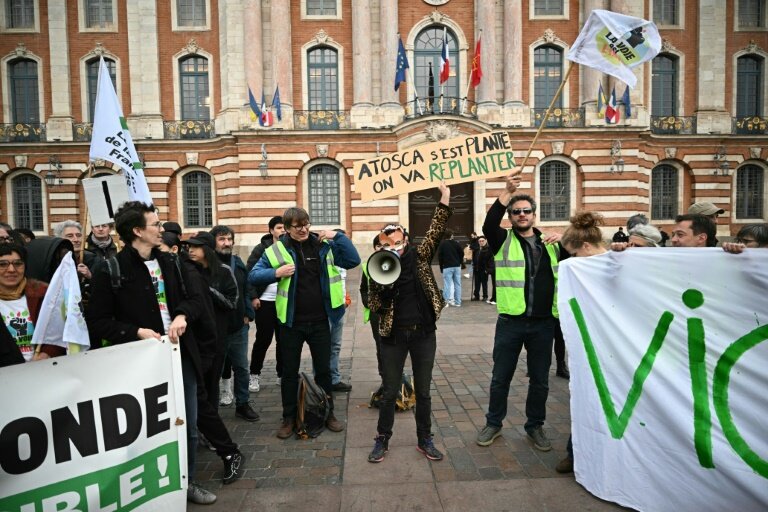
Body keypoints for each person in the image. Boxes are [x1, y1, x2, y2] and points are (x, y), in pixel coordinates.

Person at [85, 201, 241, 503]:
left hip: (180, 356)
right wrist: (136, 332)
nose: (161, 229)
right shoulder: (110, 269)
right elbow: (97, 321)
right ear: (137, 231)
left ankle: (187, 484)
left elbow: (198, 299)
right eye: (155, 224)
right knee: (147, 430)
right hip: (138, 364)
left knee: (189, 426)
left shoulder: (172, 263)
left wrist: (182, 315)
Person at [249, 207, 360, 439]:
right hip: (291, 324)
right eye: (297, 226)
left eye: (306, 224)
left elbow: (352, 260)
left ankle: (327, 413)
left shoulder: (323, 245)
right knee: (289, 373)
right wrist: (276, 273)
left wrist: (337, 236)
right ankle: (288, 417)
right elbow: (253, 276)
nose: (303, 229)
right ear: (287, 229)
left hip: (321, 321)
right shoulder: (276, 250)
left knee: (324, 372)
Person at [476, 174, 567, 452]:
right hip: (510, 322)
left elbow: (586, 253)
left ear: (534, 214)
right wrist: (507, 192)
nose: (522, 215)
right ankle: (494, 423)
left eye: (526, 211)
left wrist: (566, 237)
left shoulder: (552, 244)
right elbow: (489, 223)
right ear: (512, 217)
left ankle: (535, 426)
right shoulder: (502, 239)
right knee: (500, 377)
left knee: (540, 380)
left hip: (543, 324)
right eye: (516, 212)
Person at [366, 183, 452, 463]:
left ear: (405, 241)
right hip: (393, 336)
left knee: (424, 391)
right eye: (386, 244)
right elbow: (375, 307)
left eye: (398, 242)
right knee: (390, 391)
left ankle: (424, 438)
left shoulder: (421, 257)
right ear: (379, 247)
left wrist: (446, 197)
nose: (393, 247)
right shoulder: (376, 268)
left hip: (423, 333)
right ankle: (382, 438)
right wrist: (384, 283)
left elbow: (436, 230)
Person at [555, 211, 609, 474]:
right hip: (592, 346)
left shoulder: (620, 261)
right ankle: (575, 453)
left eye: (574, 254)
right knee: (585, 396)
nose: (572, 260)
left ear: (586, 246)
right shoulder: (583, 268)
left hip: (616, 348)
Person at [210, 225, 258, 421]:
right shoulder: (207, 265)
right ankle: (211, 411)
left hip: (238, 326)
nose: (227, 243)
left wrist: (248, 313)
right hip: (215, 328)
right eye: (222, 239)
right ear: (213, 242)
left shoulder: (237, 262)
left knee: (241, 368)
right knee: (214, 370)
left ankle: (243, 404)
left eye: (229, 239)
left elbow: (246, 288)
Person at [246, 216, 285, 391]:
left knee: (283, 340)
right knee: (263, 339)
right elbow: (250, 275)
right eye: (278, 227)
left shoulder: (290, 248)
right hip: (265, 302)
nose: (282, 230)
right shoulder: (260, 249)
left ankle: (282, 374)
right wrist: (254, 297)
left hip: (284, 302)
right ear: (271, 231)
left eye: (285, 227)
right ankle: (254, 375)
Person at [0, 243, 48, 363]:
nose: (11, 270)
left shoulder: (43, 295)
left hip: (43, 371)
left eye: (18, 264)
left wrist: (47, 353)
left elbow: (58, 331)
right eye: (2, 264)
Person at [360, 234, 385, 399]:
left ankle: (396, 377)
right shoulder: (367, 265)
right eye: (379, 246)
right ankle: (385, 378)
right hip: (377, 314)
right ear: (375, 248)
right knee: (381, 347)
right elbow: (363, 288)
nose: (382, 249)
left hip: (396, 313)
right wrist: (370, 304)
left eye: (385, 245)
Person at [328, 228, 352, 392]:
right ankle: (323, 380)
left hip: (339, 308)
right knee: (323, 347)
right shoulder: (326, 258)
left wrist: (345, 299)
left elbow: (340, 284)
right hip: (326, 309)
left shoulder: (344, 261)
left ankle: (334, 379)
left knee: (335, 346)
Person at [437, 229, 463, 307]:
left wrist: (441, 267)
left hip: (447, 266)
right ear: (451, 235)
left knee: (447, 284)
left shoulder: (442, 244)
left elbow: (440, 256)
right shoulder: (456, 243)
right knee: (457, 284)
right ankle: (458, 302)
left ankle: (446, 302)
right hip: (456, 266)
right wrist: (459, 261)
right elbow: (461, 253)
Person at [474, 236, 495, 303]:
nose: (481, 242)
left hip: (484, 269)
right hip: (477, 269)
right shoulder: (477, 249)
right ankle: (476, 296)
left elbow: (490, 260)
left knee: (484, 283)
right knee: (477, 283)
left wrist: (487, 269)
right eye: (480, 241)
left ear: (485, 241)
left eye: (482, 241)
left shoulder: (488, 249)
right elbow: (475, 258)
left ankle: (485, 296)